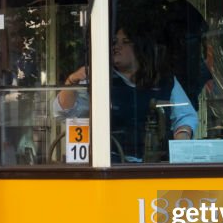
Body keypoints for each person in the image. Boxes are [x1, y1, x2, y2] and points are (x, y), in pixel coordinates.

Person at [56, 24, 198, 162]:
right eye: (114, 42)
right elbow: (64, 113)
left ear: (140, 47)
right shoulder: (100, 80)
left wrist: (181, 144)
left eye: (125, 42)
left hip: (155, 167)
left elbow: (186, 116)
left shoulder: (164, 80)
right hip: (114, 167)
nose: (116, 47)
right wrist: (71, 80)